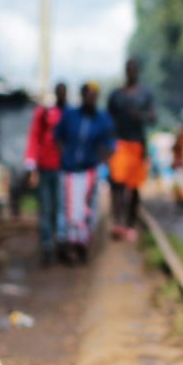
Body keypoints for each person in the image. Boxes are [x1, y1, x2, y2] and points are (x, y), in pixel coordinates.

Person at [54, 82, 115, 263]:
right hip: (70, 170)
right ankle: (70, 245)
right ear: (82, 95)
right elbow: (58, 137)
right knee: (70, 210)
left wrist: (100, 163)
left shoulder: (102, 119)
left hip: (89, 170)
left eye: (93, 94)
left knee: (88, 209)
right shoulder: (70, 115)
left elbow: (110, 144)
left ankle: (83, 244)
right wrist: (65, 156)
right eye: (87, 94)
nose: (90, 97)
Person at [106, 58, 157, 241]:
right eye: (129, 70)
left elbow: (153, 117)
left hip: (137, 145)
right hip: (119, 144)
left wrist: (141, 115)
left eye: (134, 70)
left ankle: (130, 224)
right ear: (125, 71)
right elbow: (107, 120)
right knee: (117, 185)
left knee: (133, 187)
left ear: (138, 72)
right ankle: (117, 222)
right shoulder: (116, 95)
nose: (131, 73)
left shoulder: (145, 95)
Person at [23, 82, 68, 265]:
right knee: (46, 209)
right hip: (45, 168)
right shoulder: (43, 114)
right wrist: (32, 167)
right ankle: (48, 246)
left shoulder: (67, 115)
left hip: (61, 169)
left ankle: (60, 242)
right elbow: (34, 138)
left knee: (60, 209)